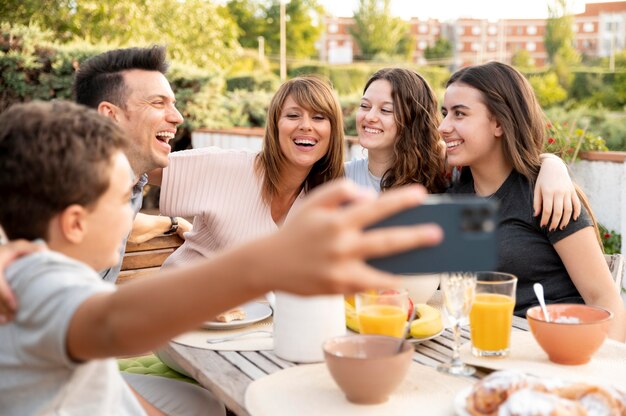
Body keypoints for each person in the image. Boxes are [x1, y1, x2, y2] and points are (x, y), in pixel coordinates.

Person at [0, 100, 444, 415]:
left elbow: (95, 386)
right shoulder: (37, 284)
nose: (139, 213)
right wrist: (270, 261)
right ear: (74, 223)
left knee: (207, 405)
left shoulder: (29, 264)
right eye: (125, 198)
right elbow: (116, 324)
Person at [439, 62, 625, 341]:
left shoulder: (546, 194)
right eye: (444, 114)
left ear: (500, 122)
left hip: (558, 349)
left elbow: (604, 299)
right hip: (488, 350)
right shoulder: (453, 199)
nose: (443, 127)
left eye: (459, 114)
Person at [346, 67, 582, 230]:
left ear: (412, 120)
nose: (370, 117)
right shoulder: (341, 176)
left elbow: (505, 156)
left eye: (386, 110)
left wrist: (553, 164)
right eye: (364, 106)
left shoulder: (435, 164)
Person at [157, 75, 345, 267]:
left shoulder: (323, 196)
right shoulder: (230, 167)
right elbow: (138, 166)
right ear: (275, 125)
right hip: (185, 293)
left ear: (333, 131)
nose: (306, 125)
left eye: (319, 117)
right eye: (293, 115)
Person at [73, 45, 192, 282]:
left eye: (173, 103)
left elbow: (124, 221)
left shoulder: (128, 180)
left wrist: (172, 223)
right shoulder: (68, 187)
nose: (177, 117)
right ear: (109, 116)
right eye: (158, 103)